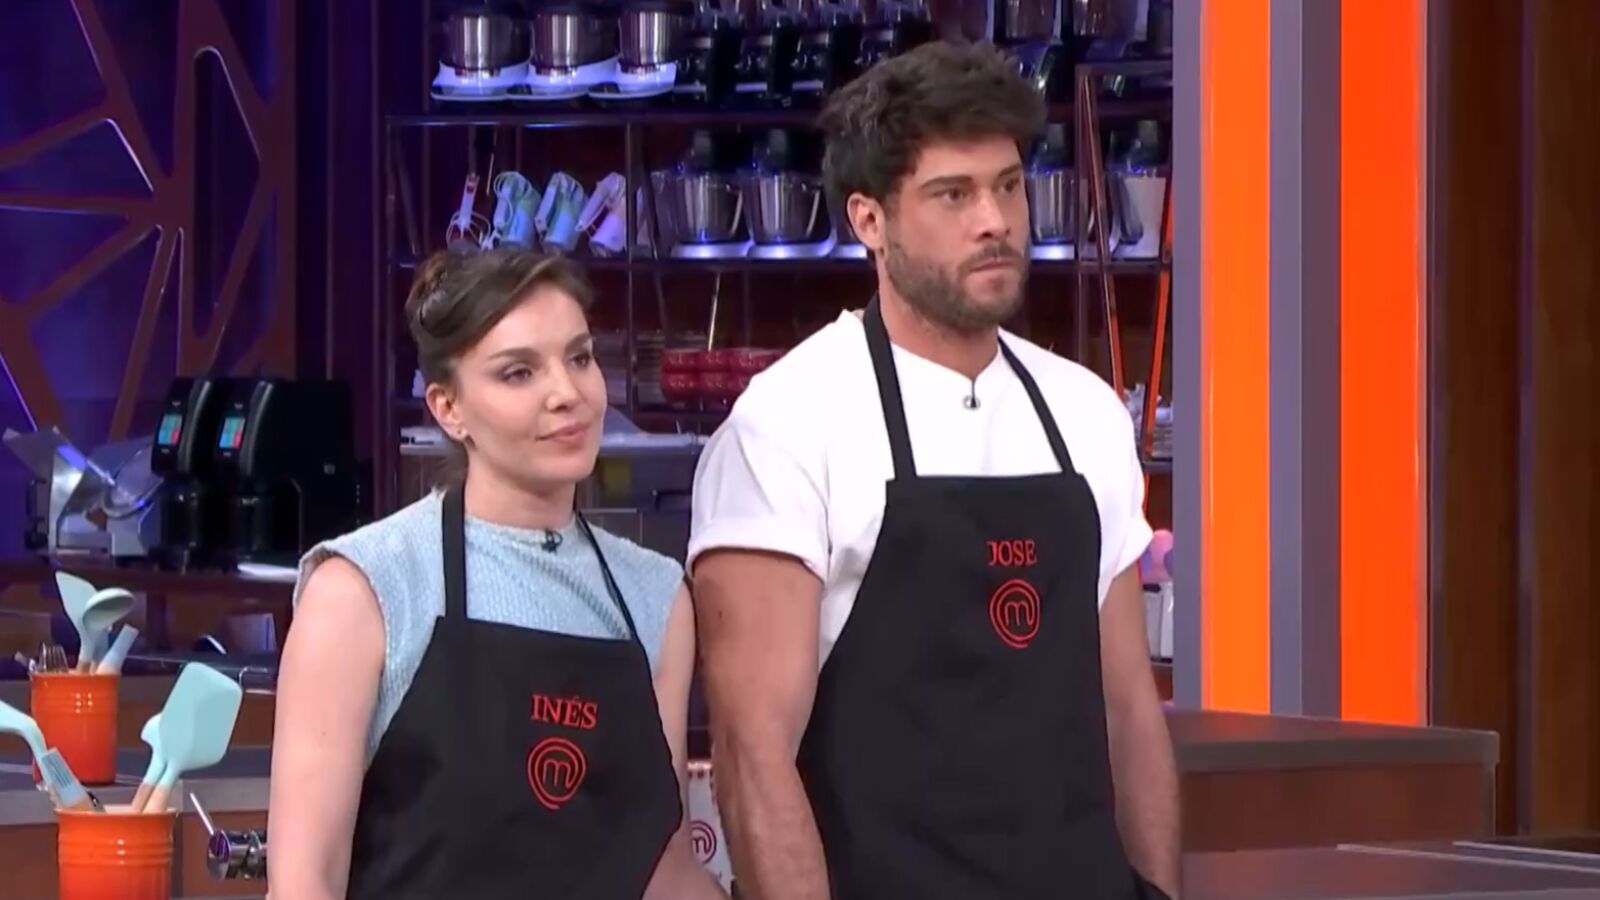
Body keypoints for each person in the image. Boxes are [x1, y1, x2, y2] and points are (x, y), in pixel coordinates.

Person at [688, 42, 1180, 900]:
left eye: (1008, 186)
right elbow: (753, 757)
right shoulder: (788, 423)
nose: (995, 221)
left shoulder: (1084, 412)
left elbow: (1130, 714)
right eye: (953, 195)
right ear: (869, 221)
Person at [268, 248, 727, 900]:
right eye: (519, 373)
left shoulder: (654, 596)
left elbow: (660, 864)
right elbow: (305, 881)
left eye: (579, 358)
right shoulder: (363, 589)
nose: (567, 394)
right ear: (447, 407)